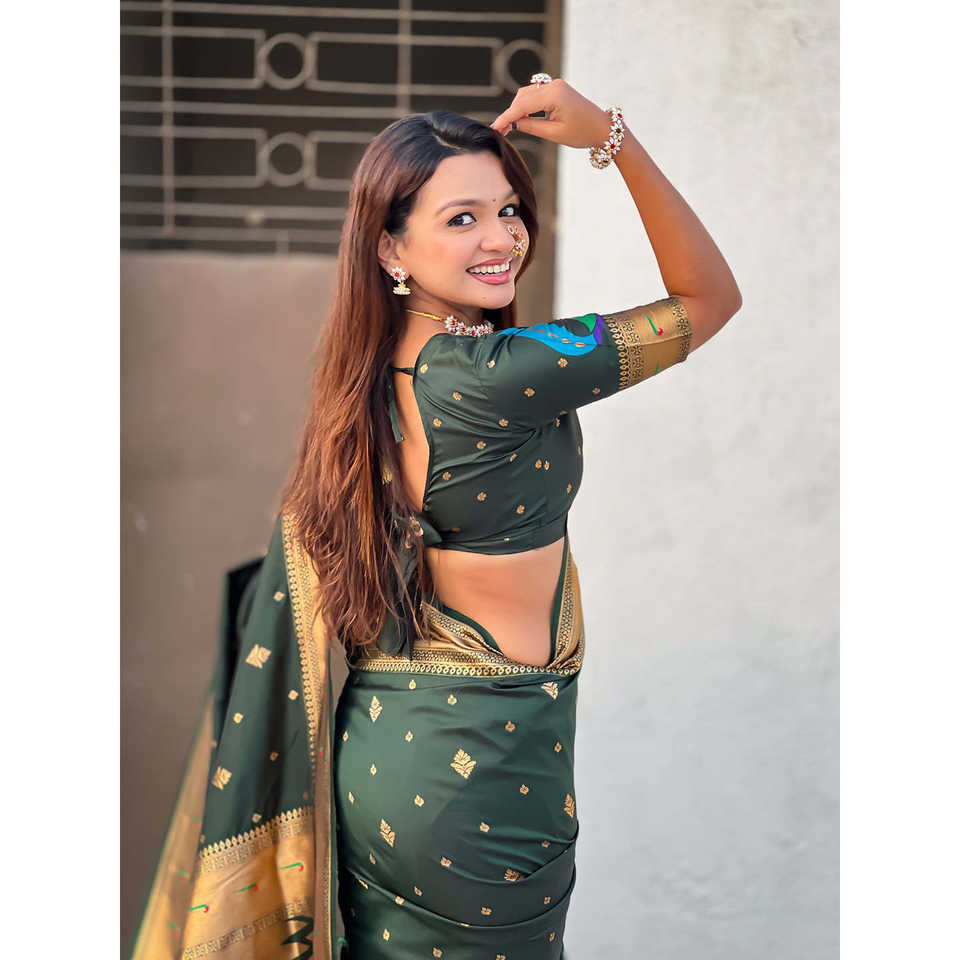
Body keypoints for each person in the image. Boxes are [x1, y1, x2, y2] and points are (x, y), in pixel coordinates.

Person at [127, 76, 741, 960]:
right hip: (480, 768)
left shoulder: (364, 383)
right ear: (391, 248)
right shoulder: (499, 374)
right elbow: (710, 299)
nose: (500, 238)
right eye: (462, 219)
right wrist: (613, 138)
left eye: (508, 209)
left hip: (390, 749)